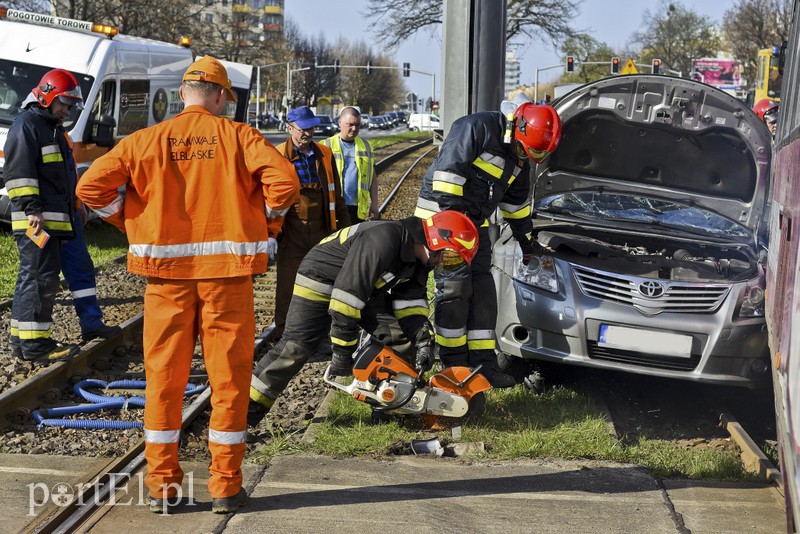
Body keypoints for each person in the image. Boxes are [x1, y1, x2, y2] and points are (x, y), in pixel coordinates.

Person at [76, 55, 300, 515]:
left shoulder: (144, 141)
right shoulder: (240, 137)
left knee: (163, 381)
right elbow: (284, 181)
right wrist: (267, 226)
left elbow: (90, 188)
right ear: (220, 96)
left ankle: (162, 487)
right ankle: (225, 486)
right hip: (227, 280)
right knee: (229, 382)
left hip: (165, 282)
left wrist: (132, 224)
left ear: (182, 93)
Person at [249, 211, 479, 414]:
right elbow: (346, 298)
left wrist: (422, 340)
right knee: (297, 346)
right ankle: (249, 409)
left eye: (454, 263)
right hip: (321, 278)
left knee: (400, 339)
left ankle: (394, 406)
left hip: (365, 290)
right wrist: (342, 350)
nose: (444, 265)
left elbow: (409, 303)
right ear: (436, 240)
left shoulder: (420, 259)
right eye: (450, 258)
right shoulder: (383, 239)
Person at [414, 94, 562, 388]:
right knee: (455, 291)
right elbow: (446, 179)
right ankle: (454, 365)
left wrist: (527, 242)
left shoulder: (521, 157)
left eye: (537, 155)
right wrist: (456, 231)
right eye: (528, 151)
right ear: (516, 128)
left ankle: (484, 365)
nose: (528, 158)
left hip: (473, 226)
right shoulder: (475, 127)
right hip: (442, 219)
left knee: (483, 290)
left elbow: (515, 205)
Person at [3, 68, 85, 364]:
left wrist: (75, 205)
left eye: (71, 104)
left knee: (34, 278)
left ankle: (20, 341)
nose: (68, 109)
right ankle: (36, 345)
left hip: (47, 220)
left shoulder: (50, 128)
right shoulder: (28, 126)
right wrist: (32, 209)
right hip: (36, 221)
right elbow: (18, 173)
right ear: (47, 95)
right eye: (64, 102)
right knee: (40, 279)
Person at [271, 105, 350, 341]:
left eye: (312, 128)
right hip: (291, 232)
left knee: (322, 284)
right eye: (303, 128)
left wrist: (345, 230)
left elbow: (338, 195)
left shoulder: (324, 154)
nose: (308, 133)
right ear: (290, 128)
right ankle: (283, 335)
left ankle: (319, 334)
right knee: (288, 286)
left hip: (322, 230)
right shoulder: (277, 155)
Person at [321, 106, 379, 223]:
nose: (354, 128)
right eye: (350, 124)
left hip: (358, 208)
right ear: (340, 123)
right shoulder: (326, 145)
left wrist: (374, 204)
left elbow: (372, 177)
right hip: (334, 206)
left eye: (357, 125)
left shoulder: (366, 146)